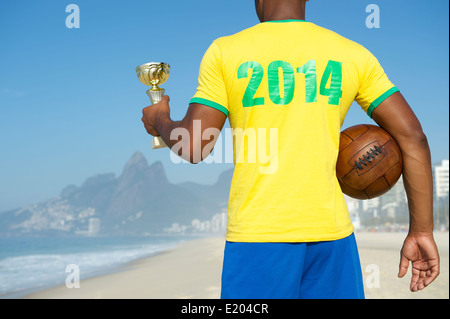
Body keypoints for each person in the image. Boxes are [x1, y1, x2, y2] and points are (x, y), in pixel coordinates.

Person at [141, 0, 440, 298]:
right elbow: (414, 137)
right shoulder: (352, 54)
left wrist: (161, 120)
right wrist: (422, 231)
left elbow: (193, 146)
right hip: (332, 237)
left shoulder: (225, 51)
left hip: (258, 236)